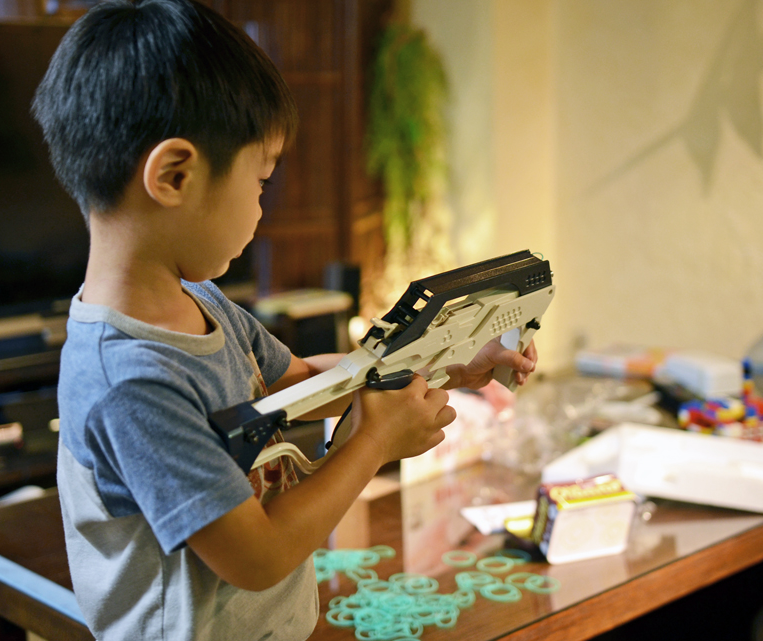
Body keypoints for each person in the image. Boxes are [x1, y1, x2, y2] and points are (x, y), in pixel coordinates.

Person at [32, 1, 538, 639]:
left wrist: (451, 362)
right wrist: (373, 443)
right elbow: (258, 557)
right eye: (261, 181)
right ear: (174, 175)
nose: (261, 206)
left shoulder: (202, 302)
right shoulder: (131, 383)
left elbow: (304, 384)